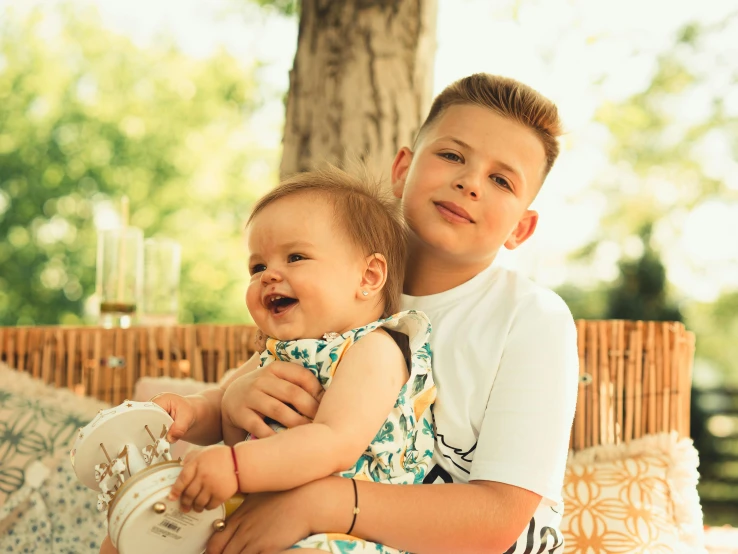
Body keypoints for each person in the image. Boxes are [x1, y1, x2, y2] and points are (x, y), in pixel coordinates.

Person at [203, 73, 580, 554]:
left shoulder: (530, 318)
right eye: (451, 156)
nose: (469, 182)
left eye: (501, 180)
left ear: (520, 229)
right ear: (402, 169)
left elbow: (496, 521)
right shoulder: (328, 286)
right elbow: (261, 395)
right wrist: (235, 401)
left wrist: (315, 504)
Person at [98, 168, 437, 554]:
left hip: (338, 527)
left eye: (296, 257)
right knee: (129, 533)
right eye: (257, 266)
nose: (269, 276)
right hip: (251, 505)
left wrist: (236, 466)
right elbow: (222, 399)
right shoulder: (273, 351)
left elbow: (334, 441)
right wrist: (191, 412)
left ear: (369, 276)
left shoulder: (374, 349)